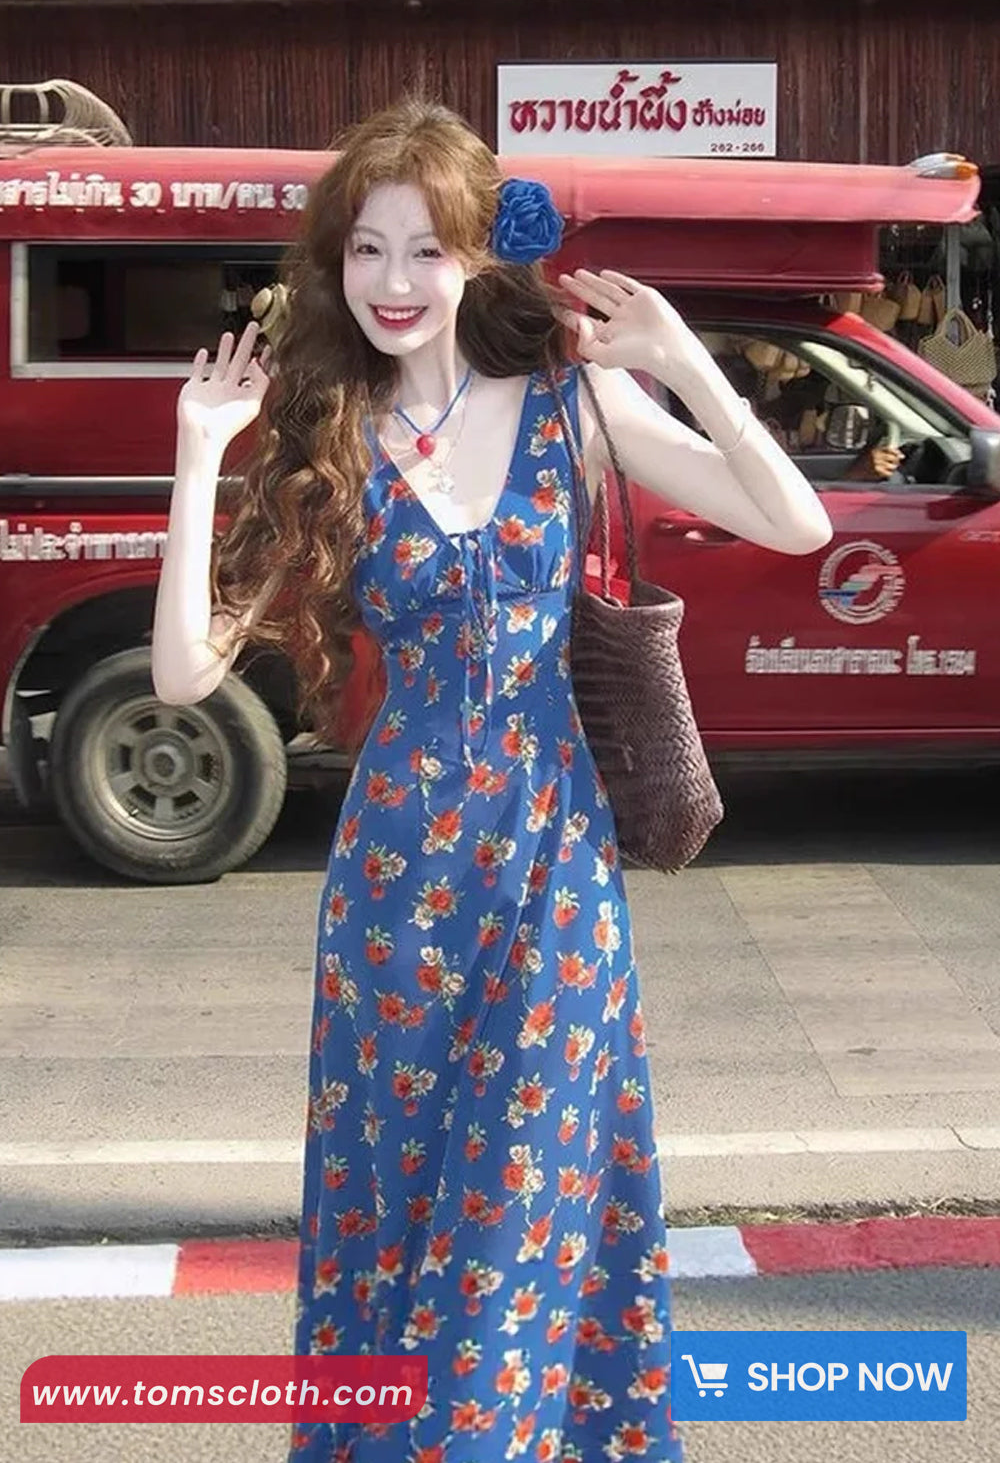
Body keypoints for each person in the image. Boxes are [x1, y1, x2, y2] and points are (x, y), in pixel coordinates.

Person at [151, 99, 832, 1463]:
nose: (394, 281)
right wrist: (200, 451)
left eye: (427, 248)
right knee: (402, 1201)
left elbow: (796, 521)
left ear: (480, 255)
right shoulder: (332, 439)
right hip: (394, 894)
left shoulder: (574, 407)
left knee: (524, 1199)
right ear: (335, 266)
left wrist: (685, 361)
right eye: (366, 250)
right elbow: (182, 670)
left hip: (552, 868)